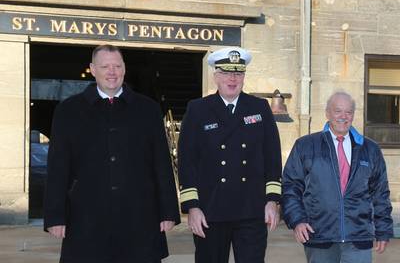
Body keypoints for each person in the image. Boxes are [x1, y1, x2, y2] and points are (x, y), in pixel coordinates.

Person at [43, 44, 180, 263]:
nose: (112, 72)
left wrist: (168, 211)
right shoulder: (68, 111)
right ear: (92, 69)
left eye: (117, 65)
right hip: (86, 217)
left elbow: (161, 163)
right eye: (105, 66)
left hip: (140, 217)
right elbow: (58, 166)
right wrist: (55, 216)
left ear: (124, 68)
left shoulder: (148, 109)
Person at [178, 47, 282, 263]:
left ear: (244, 77)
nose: (232, 79)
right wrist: (192, 207)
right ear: (216, 76)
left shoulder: (259, 107)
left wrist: (272, 201)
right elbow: (187, 161)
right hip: (210, 211)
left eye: (238, 73)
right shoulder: (198, 109)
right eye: (226, 73)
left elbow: (272, 158)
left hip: (251, 209)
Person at [282, 91, 393, 263]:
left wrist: (383, 230)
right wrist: (297, 220)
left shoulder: (370, 149)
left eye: (348, 112)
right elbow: (291, 186)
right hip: (319, 235)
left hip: (359, 238)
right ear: (327, 113)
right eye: (338, 111)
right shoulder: (306, 146)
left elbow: (380, 193)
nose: (343, 116)